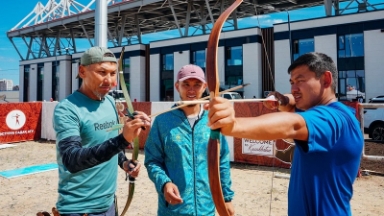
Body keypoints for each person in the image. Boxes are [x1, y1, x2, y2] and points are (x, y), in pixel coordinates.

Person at [206, 52, 363, 216]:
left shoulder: (334, 119)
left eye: (301, 81)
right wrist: (284, 100)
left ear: (326, 80)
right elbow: (293, 104)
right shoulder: (331, 112)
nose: (294, 88)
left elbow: (292, 125)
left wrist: (233, 124)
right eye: (292, 82)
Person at [53, 46, 151, 216]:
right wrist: (123, 139)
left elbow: (108, 141)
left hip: (108, 204)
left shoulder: (110, 102)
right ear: (82, 71)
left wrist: (124, 163)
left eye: (113, 74)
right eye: (102, 72)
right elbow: (71, 159)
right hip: (78, 209)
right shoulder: (67, 109)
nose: (110, 81)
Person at [144, 64, 235, 216]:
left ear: (204, 86)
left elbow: (222, 161)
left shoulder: (213, 119)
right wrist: (165, 183)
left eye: (197, 85)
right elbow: (152, 160)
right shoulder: (162, 121)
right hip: (172, 209)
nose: (191, 90)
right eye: (185, 84)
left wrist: (226, 198)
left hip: (206, 208)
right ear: (177, 86)